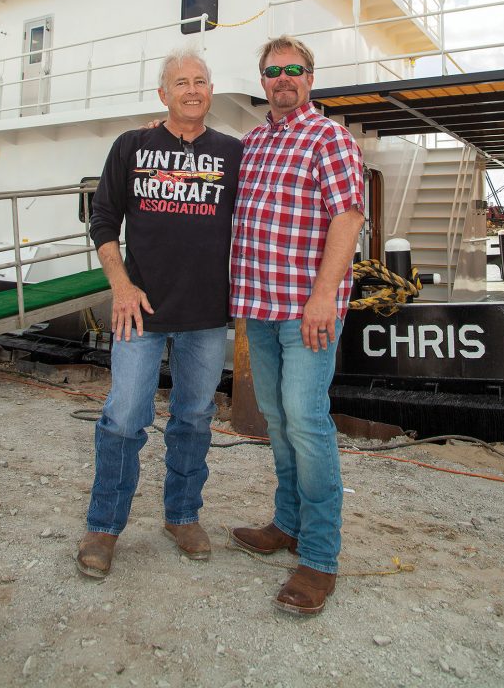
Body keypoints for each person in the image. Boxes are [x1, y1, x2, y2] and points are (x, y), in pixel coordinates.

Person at [76, 48, 242, 578]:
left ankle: (182, 515)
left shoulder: (232, 153)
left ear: (210, 91)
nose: (191, 89)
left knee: (194, 418)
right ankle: (103, 526)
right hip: (138, 311)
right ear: (162, 94)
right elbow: (103, 220)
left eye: (200, 80)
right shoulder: (131, 146)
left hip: (205, 314)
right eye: (180, 82)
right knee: (124, 417)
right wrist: (120, 287)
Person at [230, 36, 364, 615]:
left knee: (307, 422)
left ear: (310, 77)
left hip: (305, 310)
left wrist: (324, 297)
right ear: (262, 80)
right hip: (258, 307)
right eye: (272, 71)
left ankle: (320, 557)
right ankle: (286, 524)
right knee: (279, 420)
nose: (282, 79)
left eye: (294, 70)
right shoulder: (252, 142)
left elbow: (348, 215)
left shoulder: (328, 136)